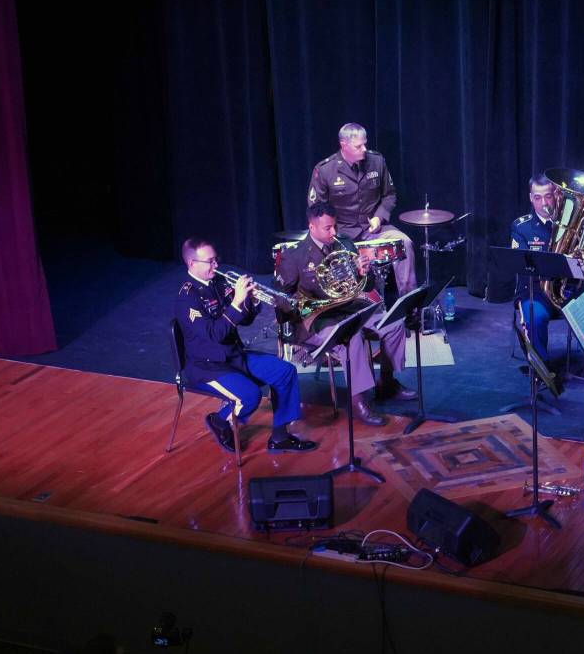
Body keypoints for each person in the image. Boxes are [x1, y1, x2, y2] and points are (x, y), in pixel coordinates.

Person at [275, 201, 416, 427]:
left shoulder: (345, 245)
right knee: (352, 338)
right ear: (312, 227)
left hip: (350, 306)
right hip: (318, 317)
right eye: (327, 228)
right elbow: (280, 296)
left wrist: (363, 273)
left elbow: (366, 286)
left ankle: (386, 382)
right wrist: (296, 314)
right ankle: (357, 401)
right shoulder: (295, 256)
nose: (333, 232)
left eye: (334, 227)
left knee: (393, 323)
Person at [174, 237, 314, 454]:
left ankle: (280, 437)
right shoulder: (187, 298)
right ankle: (220, 421)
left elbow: (244, 320)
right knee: (250, 396)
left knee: (284, 371)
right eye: (210, 262)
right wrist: (237, 302)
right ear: (192, 264)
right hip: (207, 367)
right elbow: (215, 334)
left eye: (215, 259)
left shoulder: (218, 283)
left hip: (233, 356)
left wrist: (253, 301)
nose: (216, 265)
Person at [510, 174, 584, 383]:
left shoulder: (580, 221)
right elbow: (521, 264)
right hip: (537, 291)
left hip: (571, 290)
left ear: (558, 195)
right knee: (534, 315)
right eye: (537, 197)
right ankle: (541, 368)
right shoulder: (521, 226)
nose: (544, 203)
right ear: (530, 198)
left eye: (549, 196)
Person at [307, 123, 416, 294]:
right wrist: (332, 234)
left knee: (405, 243)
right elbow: (316, 209)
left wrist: (379, 217)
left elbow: (390, 195)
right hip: (342, 234)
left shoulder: (377, 161)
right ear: (344, 145)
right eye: (359, 146)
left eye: (365, 143)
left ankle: (409, 306)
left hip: (374, 229)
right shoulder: (325, 170)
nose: (364, 149)